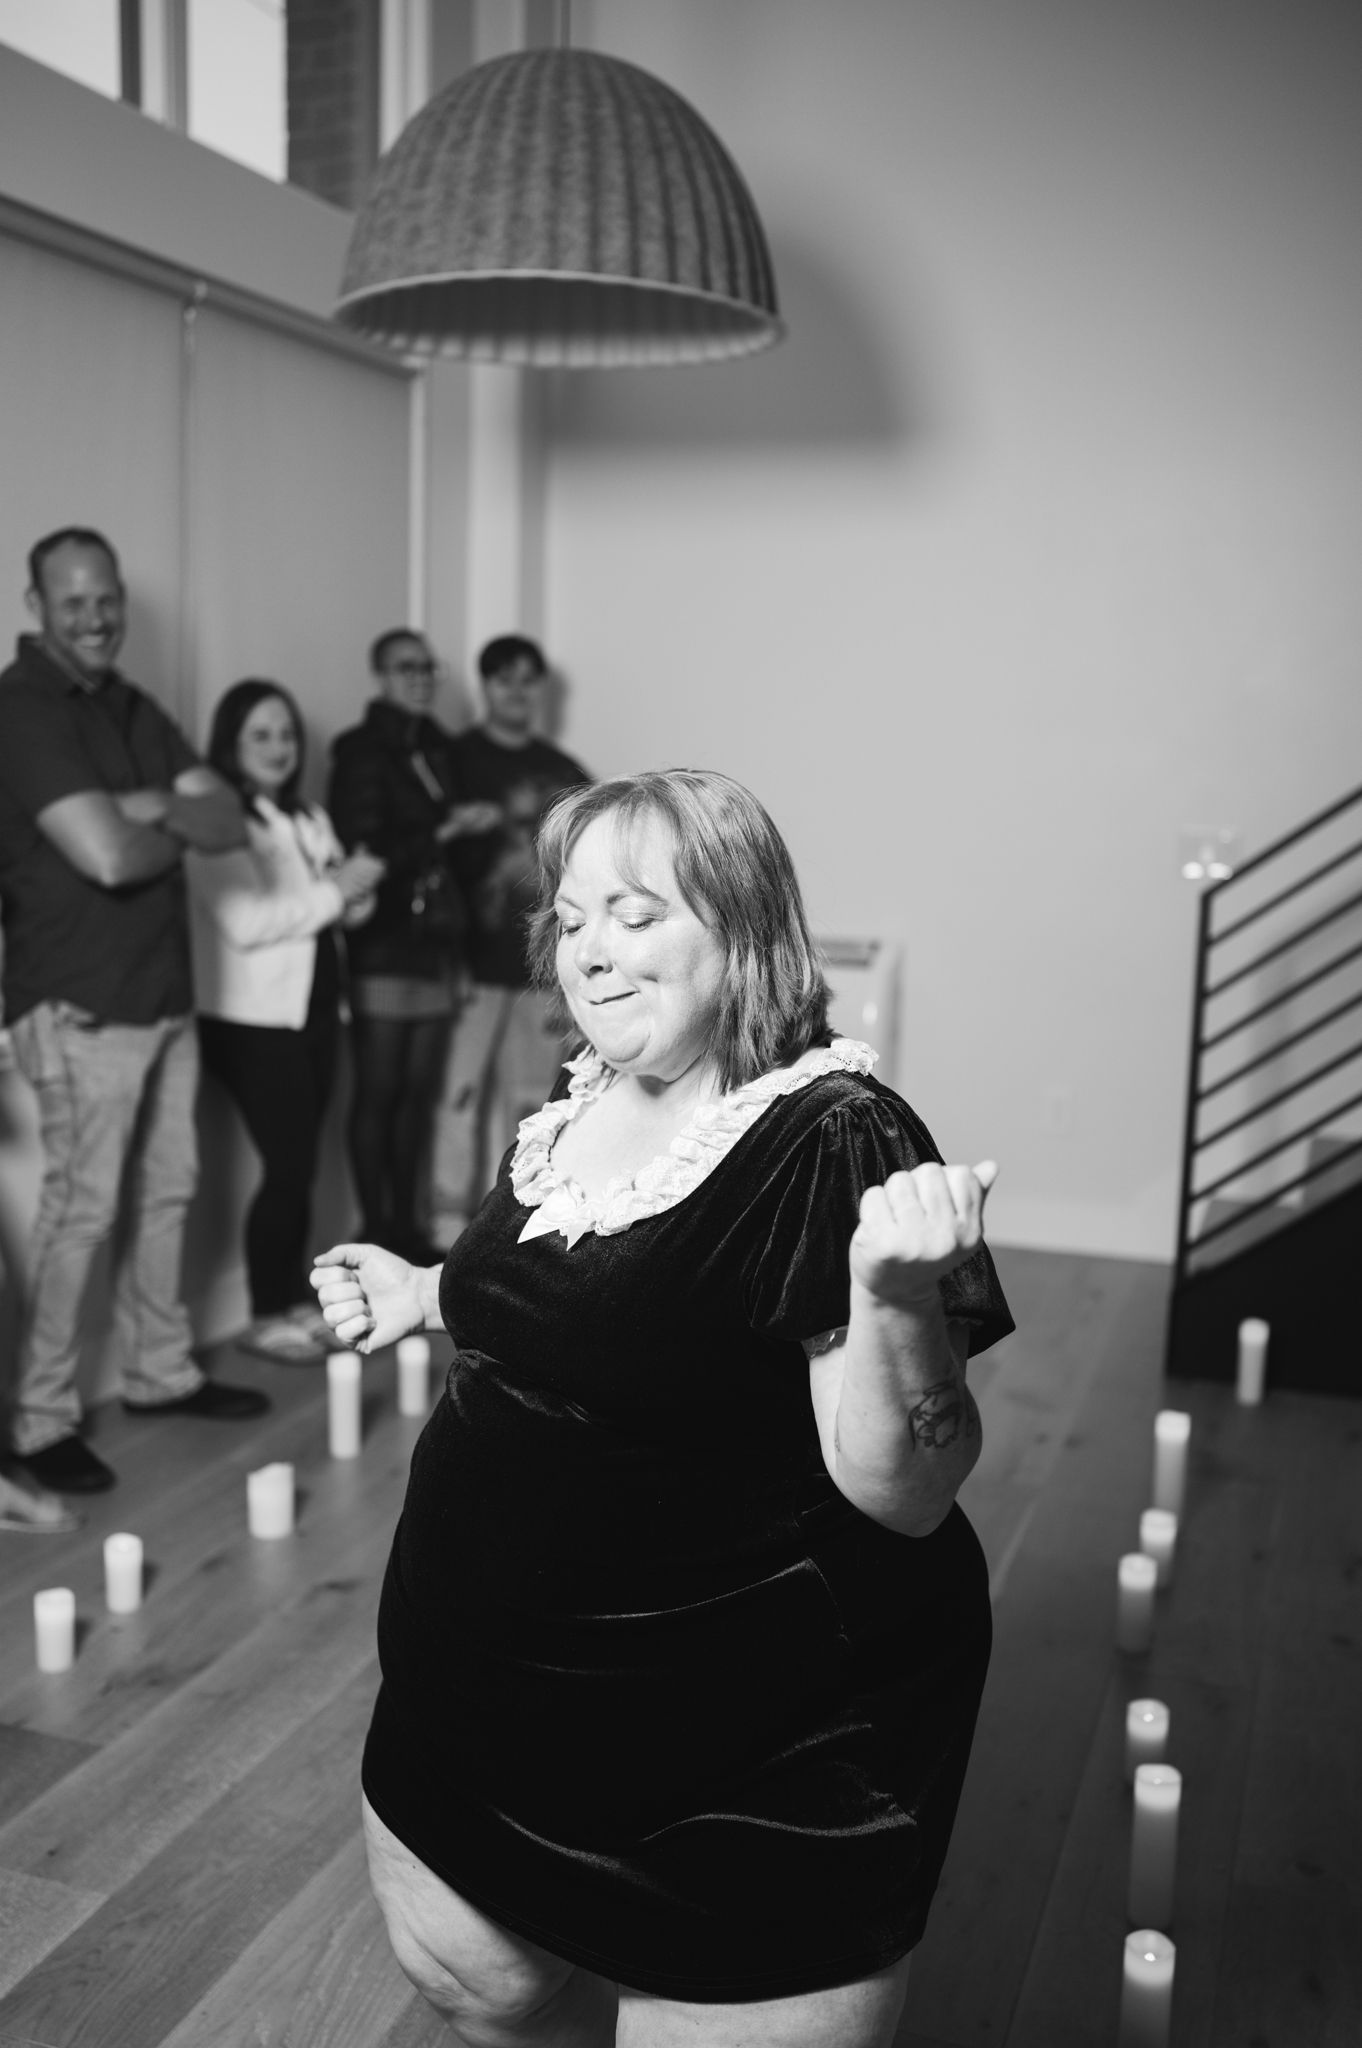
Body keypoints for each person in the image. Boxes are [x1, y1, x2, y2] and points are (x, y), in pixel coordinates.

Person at [311, 768, 1015, 2048]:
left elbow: (904, 1488)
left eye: (634, 915)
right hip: (475, 1718)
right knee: (486, 1987)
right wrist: (425, 1290)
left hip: (730, 1770)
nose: (589, 952)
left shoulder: (834, 1135)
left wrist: (897, 1295)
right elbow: (593, 1308)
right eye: (571, 919)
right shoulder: (584, 1094)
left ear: (743, 928)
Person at [0, 528, 270, 1497]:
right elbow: (105, 856)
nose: (96, 615)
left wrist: (138, 804)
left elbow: (228, 815)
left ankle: (158, 1371)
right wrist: (159, 811)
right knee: (81, 1209)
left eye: (106, 596)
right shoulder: (21, 707)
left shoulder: (131, 702)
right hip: (78, 1002)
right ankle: (40, 1419)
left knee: (168, 1188)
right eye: (72, 600)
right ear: (36, 604)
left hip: (162, 994)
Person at [186, 680, 387, 1363]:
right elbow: (246, 923)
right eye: (261, 735)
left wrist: (353, 894)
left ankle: (295, 1302)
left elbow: (334, 908)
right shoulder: (214, 821)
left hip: (315, 1010)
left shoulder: (305, 815)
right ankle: (266, 1310)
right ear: (231, 743)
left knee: (298, 1167)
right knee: (289, 1164)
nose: (279, 748)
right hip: (251, 1021)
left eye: (287, 735)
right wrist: (337, 889)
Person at [328, 629, 501, 1264]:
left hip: (436, 945)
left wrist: (469, 829)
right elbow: (364, 849)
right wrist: (446, 828)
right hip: (383, 944)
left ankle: (406, 1228)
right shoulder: (361, 750)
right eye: (407, 668)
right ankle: (374, 1226)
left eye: (428, 667)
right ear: (380, 674)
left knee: (418, 1095)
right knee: (379, 1092)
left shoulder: (439, 748)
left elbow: (451, 849)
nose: (421, 678)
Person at [430, 633, 590, 1236]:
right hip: (466, 963)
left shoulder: (565, 772)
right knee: (457, 1096)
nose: (517, 692)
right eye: (505, 679)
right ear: (485, 685)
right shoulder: (453, 759)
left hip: (539, 967)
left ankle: (506, 1231)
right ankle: (445, 1234)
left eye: (529, 680)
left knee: (531, 1104)